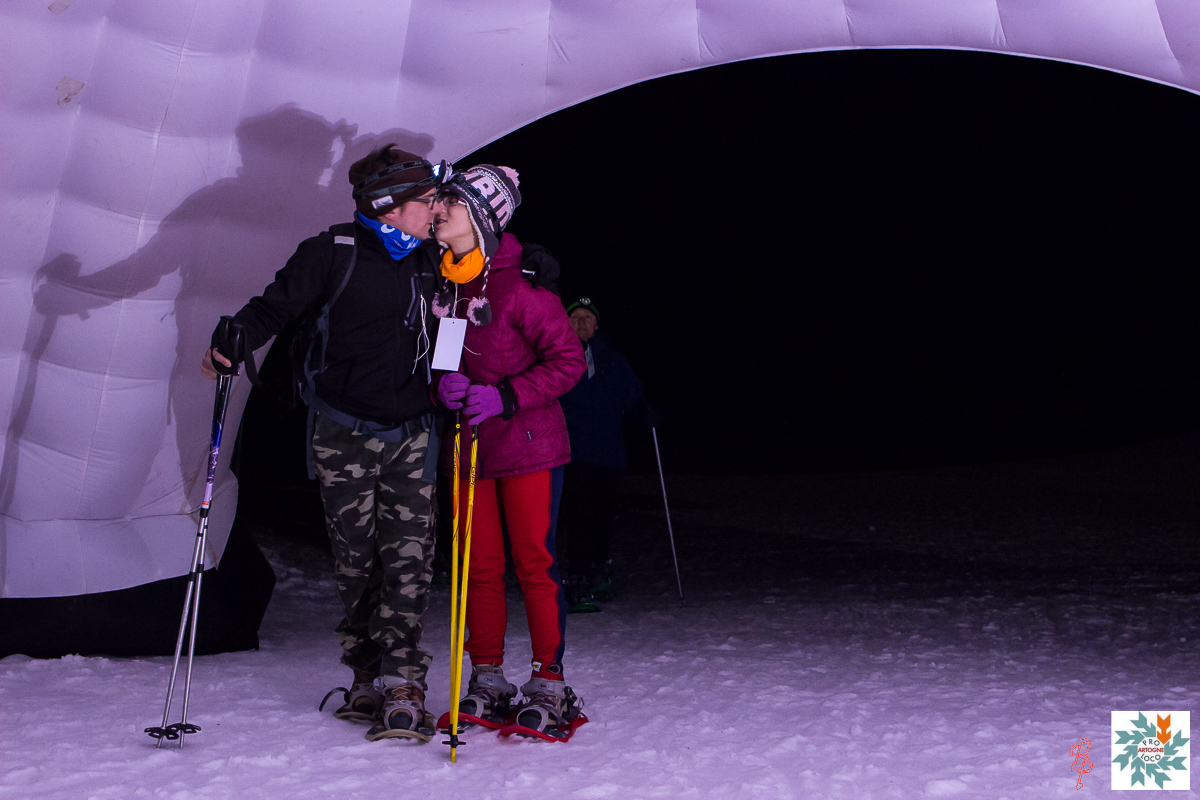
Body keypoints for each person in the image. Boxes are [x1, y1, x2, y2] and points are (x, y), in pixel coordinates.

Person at [201, 144, 447, 741]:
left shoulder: (436, 259)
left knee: (409, 560)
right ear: (389, 207)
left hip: (414, 432)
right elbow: (272, 309)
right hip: (343, 431)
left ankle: (404, 679)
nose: (438, 207)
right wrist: (233, 339)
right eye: (427, 199)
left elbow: (485, 281)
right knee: (356, 561)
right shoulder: (331, 252)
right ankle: (365, 672)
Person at [430, 164, 587, 736]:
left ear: (480, 217)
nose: (438, 211)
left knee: (533, 563)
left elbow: (569, 362)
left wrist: (506, 395)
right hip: (471, 449)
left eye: (450, 203)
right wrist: (442, 386)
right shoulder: (447, 287)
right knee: (478, 567)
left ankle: (548, 679)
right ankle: (488, 675)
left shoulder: (521, 289)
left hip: (528, 447)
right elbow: (445, 360)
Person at [558, 298, 657, 610]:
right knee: (578, 516)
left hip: (609, 454)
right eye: (575, 317)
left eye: (587, 318)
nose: (581, 323)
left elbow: (633, 396)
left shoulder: (614, 361)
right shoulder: (557, 357)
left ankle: (600, 570)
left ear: (597, 325)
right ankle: (577, 575)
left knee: (604, 516)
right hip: (572, 453)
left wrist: (645, 411)